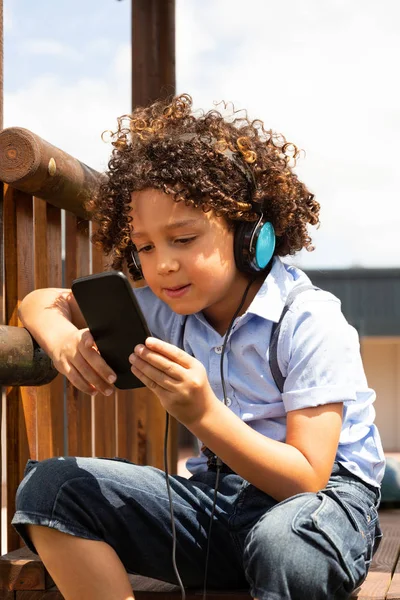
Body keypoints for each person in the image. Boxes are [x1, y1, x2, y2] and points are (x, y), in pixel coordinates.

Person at [13, 93, 385, 600]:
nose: (160, 264)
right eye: (145, 247)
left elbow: (306, 479)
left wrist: (202, 412)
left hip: (319, 508)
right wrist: (60, 340)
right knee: (51, 490)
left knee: (287, 545)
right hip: (217, 501)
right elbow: (40, 301)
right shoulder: (166, 308)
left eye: (182, 239)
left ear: (249, 234)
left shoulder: (308, 318)